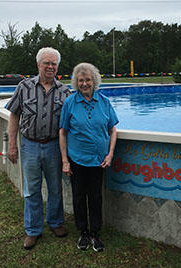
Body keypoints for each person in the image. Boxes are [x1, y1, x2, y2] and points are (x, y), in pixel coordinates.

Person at [6, 47, 71, 250]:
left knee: (55, 188)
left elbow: (70, 123)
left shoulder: (65, 91)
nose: (50, 67)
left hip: (53, 146)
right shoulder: (24, 87)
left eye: (54, 64)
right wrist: (12, 144)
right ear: (38, 65)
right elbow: (14, 115)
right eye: (47, 63)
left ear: (57, 67)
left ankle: (55, 223)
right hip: (30, 146)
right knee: (31, 190)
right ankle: (33, 230)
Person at [59, 63, 118, 252]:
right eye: (81, 80)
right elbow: (63, 132)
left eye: (88, 79)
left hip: (98, 160)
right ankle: (83, 232)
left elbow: (113, 129)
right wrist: (65, 161)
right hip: (77, 160)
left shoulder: (104, 101)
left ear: (94, 81)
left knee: (95, 197)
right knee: (78, 197)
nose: (85, 83)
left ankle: (95, 233)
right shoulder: (70, 102)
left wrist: (110, 154)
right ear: (76, 82)